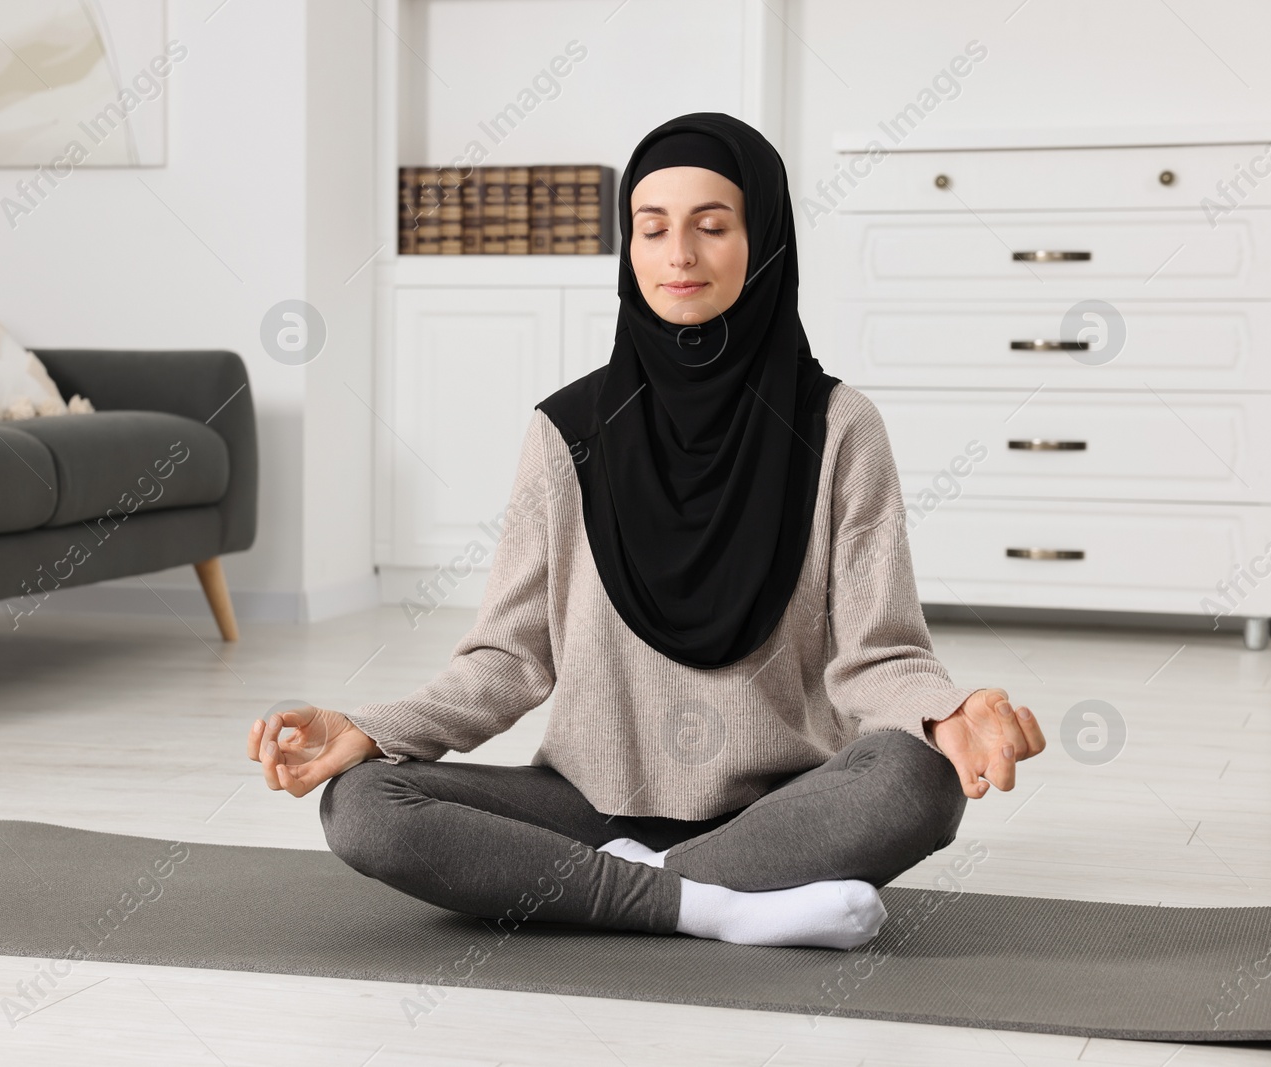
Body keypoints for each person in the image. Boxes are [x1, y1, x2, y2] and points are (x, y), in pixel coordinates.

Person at [246, 112, 1046, 950]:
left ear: (764, 238)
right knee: (364, 804)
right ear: (627, 249)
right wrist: (371, 728)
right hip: (588, 804)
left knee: (921, 781)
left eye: (712, 226)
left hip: (782, 810)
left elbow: (877, 654)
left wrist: (945, 709)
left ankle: (634, 890)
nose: (679, 256)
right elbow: (508, 658)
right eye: (652, 227)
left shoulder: (839, 426)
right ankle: (719, 905)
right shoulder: (568, 430)